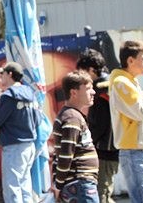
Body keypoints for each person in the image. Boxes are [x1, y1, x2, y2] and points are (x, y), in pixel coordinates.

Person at [0, 62, 39, 203]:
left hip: (15, 146)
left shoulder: (10, 95)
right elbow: (38, 120)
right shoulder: (30, 93)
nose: (0, 76)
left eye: (2, 73)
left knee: (12, 189)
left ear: (9, 74)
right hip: (29, 145)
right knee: (25, 187)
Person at [108, 40, 143, 203]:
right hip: (134, 151)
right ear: (130, 60)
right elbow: (141, 112)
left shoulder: (130, 82)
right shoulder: (121, 83)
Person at [76, 49, 118, 203]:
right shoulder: (108, 84)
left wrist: (88, 143)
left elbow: (99, 123)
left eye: (82, 72)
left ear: (92, 70)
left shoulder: (101, 89)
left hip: (105, 149)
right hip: (110, 148)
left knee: (102, 194)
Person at [52, 70, 99, 202]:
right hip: (79, 183)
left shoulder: (72, 115)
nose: (93, 92)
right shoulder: (72, 118)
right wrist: (59, 184)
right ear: (74, 92)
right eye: (89, 88)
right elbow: (66, 155)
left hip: (79, 183)